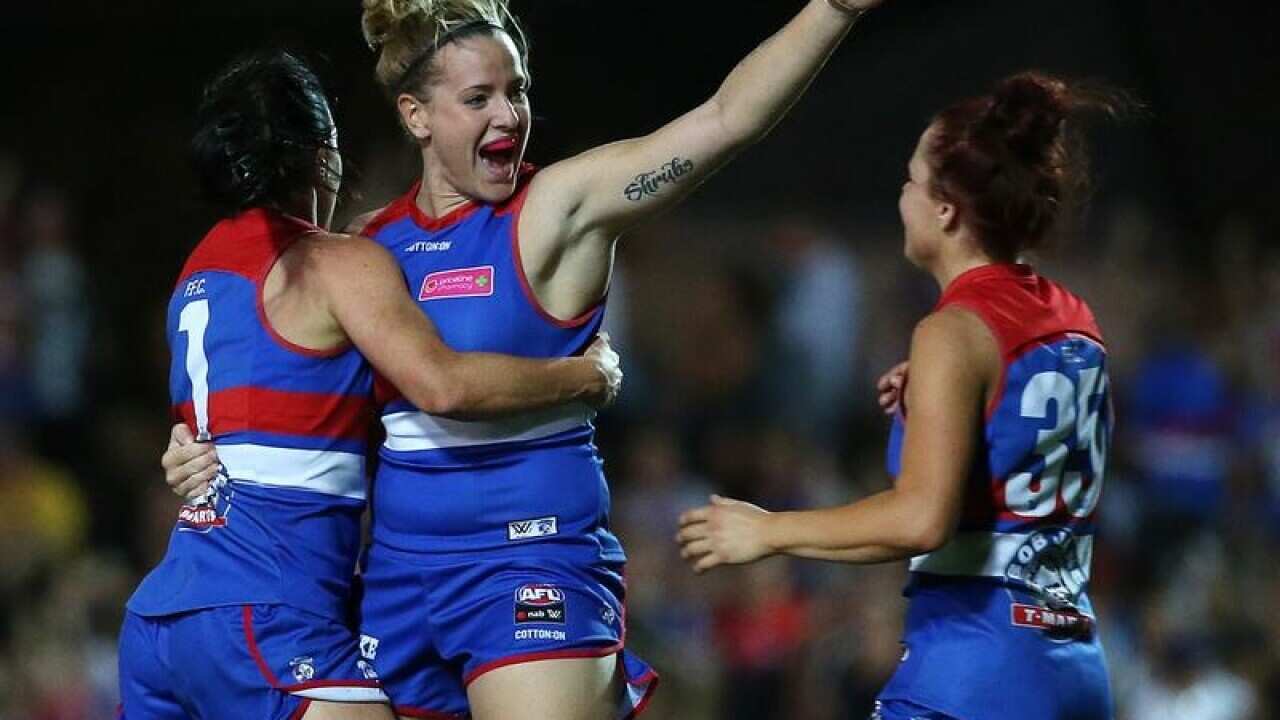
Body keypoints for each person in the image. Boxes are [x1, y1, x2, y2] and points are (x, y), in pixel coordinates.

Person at [165, 0, 885, 716]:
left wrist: (832, 10)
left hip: (528, 563)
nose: (508, 116)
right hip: (396, 584)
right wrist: (196, 447)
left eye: (518, 91)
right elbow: (284, 392)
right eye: (478, 98)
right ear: (416, 115)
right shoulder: (365, 246)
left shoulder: (558, 209)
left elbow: (728, 118)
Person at [123, 50, 622, 720]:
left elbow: (220, 438)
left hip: (162, 621)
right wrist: (584, 375)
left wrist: (181, 455)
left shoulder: (193, 279)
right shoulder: (335, 264)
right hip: (265, 614)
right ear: (323, 155)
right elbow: (441, 386)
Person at [677, 72, 1121, 720]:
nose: (902, 196)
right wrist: (946, 400)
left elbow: (920, 519)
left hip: (975, 663)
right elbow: (1035, 449)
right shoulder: (1077, 317)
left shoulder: (951, 333)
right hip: (1074, 665)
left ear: (945, 209)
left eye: (911, 180)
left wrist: (769, 530)